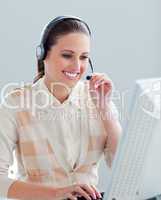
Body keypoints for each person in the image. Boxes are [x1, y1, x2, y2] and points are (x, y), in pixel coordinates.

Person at [0, 16, 122, 200]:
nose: (77, 66)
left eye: (84, 57)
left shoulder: (97, 99)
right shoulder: (16, 103)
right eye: (67, 55)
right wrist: (56, 194)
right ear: (43, 55)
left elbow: (124, 169)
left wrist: (105, 110)